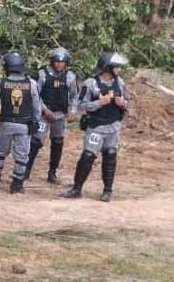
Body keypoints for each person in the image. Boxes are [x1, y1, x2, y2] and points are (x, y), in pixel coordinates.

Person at [62, 53, 129, 202]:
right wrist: (99, 103)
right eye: (116, 67)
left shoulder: (120, 83)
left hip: (113, 126)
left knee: (110, 155)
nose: (119, 69)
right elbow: (81, 104)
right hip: (96, 126)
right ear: (108, 67)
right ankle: (76, 188)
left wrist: (122, 104)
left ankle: (107, 191)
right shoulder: (91, 83)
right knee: (88, 156)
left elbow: (127, 104)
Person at [0, 52, 44, 195]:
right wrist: (35, 120)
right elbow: (37, 106)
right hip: (24, 124)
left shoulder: (2, 83)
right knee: (22, 155)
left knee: (0, 152)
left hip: (6, 123)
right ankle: (17, 184)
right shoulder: (31, 84)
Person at [29, 47, 79, 184]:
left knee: (58, 143)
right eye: (56, 61)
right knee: (36, 142)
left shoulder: (70, 77)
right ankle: (25, 171)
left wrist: (73, 111)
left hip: (60, 115)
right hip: (43, 114)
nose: (59, 64)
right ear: (52, 62)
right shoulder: (42, 74)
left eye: (62, 62)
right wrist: (44, 110)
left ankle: (52, 173)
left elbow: (75, 96)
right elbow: (35, 95)